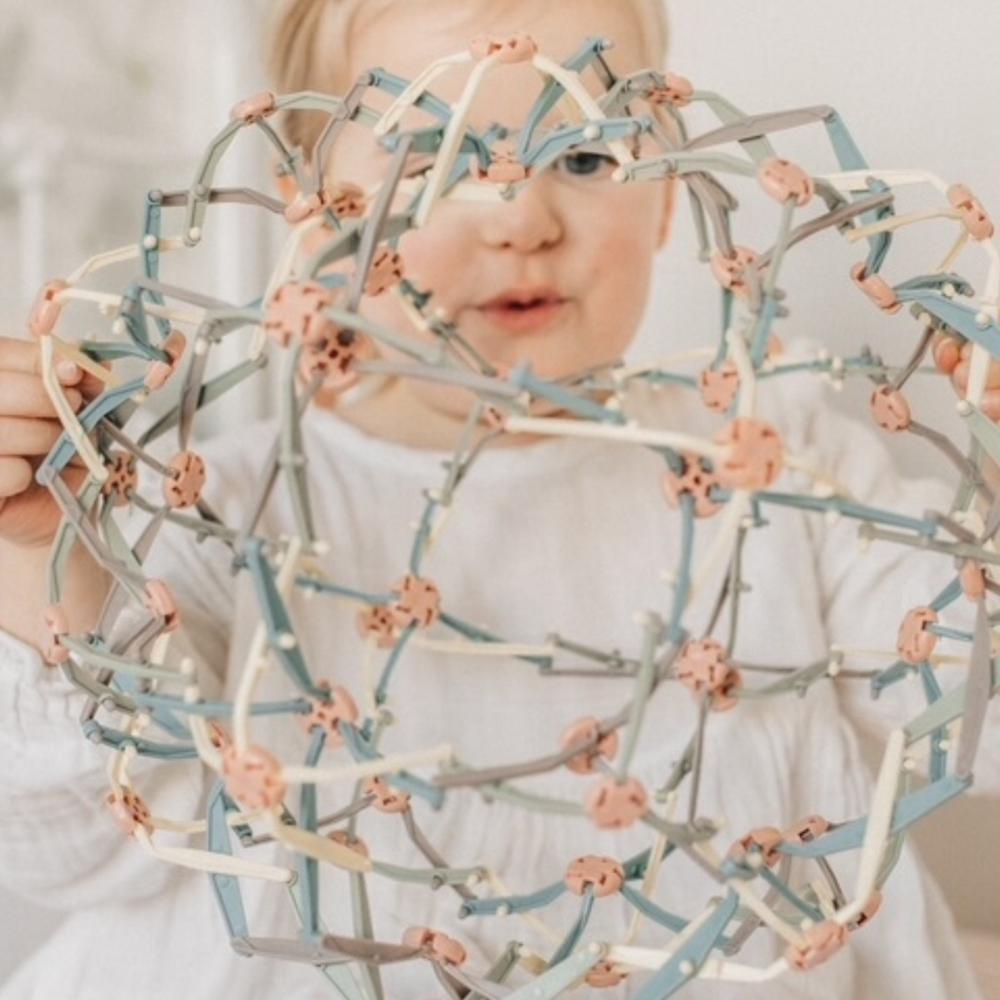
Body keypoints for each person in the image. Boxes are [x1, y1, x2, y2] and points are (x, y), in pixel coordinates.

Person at [0, 1, 995, 997]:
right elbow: (85, 846)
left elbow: (971, 713)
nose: (523, 219)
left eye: (584, 156)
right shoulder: (213, 512)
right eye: (432, 162)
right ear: (312, 209)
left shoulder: (782, 468)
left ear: (667, 191)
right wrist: (44, 556)